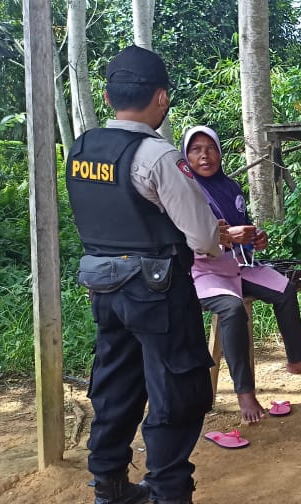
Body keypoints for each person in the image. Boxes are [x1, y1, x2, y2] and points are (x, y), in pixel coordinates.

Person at [66, 46, 222, 504]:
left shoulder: (81, 148)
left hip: (104, 289)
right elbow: (201, 236)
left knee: (115, 384)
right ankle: (167, 492)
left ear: (110, 95)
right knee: (177, 387)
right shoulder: (156, 155)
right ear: (160, 97)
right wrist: (214, 240)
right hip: (159, 293)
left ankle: (110, 488)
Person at [181, 125, 301, 424]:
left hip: (236, 264)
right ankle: (244, 391)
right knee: (233, 310)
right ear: (186, 156)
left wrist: (256, 236)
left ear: (219, 152)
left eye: (210, 148)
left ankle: (297, 360)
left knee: (285, 289)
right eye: (196, 149)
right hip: (201, 270)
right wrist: (224, 237)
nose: (204, 155)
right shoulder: (185, 190)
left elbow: (242, 225)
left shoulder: (231, 187)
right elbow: (183, 237)